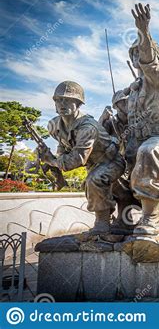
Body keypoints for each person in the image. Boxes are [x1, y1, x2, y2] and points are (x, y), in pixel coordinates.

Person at [40, 81, 125, 234]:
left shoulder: (87, 127)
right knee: (90, 181)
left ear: (78, 104)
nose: (62, 104)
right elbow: (64, 149)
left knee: (95, 180)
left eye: (67, 100)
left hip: (112, 161)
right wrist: (53, 162)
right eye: (58, 100)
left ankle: (102, 223)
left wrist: (51, 160)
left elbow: (76, 159)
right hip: (92, 164)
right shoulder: (54, 126)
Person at [125, 3, 159, 235]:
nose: (138, 56)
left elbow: (150, 63)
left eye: (141, 52)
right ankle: (112, 217)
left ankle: (150, 216)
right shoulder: (134, 88)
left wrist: (144, 32)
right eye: (134, 53)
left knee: (149, 151)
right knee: (107, 162)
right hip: (134, 139)